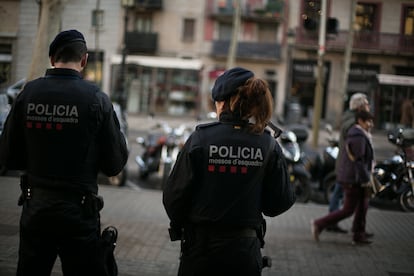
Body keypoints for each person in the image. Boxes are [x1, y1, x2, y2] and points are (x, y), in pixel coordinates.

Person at [0, 29, 128, 275]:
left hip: (36, 208)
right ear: (84, 60)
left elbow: (7, 156)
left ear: (51, 58)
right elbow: (114, 164)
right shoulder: (96, 98)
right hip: (79, 213)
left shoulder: (28, 94)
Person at [163, 67, 296, 276]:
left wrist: (186, 222)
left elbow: (173, 197)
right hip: (244, 253)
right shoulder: (268, 144)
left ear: (223, 103)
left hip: (200, 252)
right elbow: (280, 202)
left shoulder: (200, 140)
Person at [312, 110, 375, 245]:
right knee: (349, 209)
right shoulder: (358, 136)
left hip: (356, 177)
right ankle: (319, 224)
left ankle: (358, 234)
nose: (371, 124)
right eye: (368, 121)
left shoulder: (360, 134)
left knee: (362, 206)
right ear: (360, 121)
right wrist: (366, 179)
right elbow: (358, 161)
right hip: (355, 178)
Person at [326, 93, 370, 233]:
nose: (368, 106)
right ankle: (330, 223)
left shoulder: (350, 117)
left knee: (339, 193)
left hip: (345, 163)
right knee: (341, 193)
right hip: (348, 164)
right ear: (360, 106)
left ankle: (334, 222)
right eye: (366, 103)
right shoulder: (353, 121)